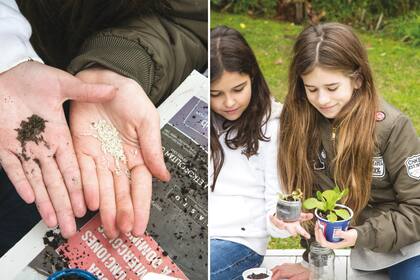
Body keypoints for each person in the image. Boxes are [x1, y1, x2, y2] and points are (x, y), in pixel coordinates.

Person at [0, 0, 207, 255]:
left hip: (101, 110)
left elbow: (192, 21)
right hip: (21, 99)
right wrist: (6, 60)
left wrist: (120, 62)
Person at [272, 22, 420, 280]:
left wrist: (360, 235)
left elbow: (417, 210)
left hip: (411, 248)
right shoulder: (298, 124)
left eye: (332, 88)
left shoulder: (392, 127)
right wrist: (311, 264)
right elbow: (314, 202)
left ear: (358, 79)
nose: (322, 100)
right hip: (366, 255)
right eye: (311, 89)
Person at [209, 25, 312, 280]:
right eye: (215, 94)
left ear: (253, 77)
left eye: (238, 89)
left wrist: (282, 221)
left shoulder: (273, 127)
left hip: (239, 242)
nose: (229, 103)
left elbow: (273, 215)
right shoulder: (204, 118)